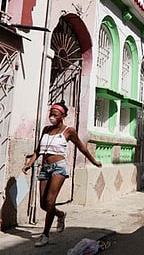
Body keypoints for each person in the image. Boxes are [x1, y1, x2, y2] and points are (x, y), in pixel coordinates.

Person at [22, 101, 102, 247]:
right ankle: (60, 214)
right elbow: (38, 150)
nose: (52, 117)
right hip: (45, 168)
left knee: (50, 201)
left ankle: (45, 235)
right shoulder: (46, 129)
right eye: (51, 114)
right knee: (43, 204)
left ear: (63, 116)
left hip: (59, 167)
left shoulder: (69, 131)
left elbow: (82, 148)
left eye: (55, 115)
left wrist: (94, 161)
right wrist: (29, 164)